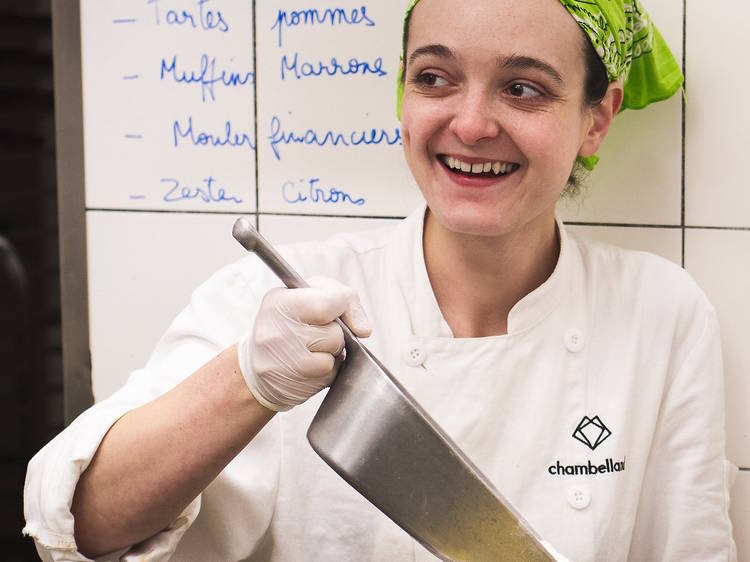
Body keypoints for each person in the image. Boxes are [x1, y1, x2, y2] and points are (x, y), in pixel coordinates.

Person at [24, 0, 737, 560]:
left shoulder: (659, 315)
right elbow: (80, 524)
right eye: (434, 77)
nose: (471, 122)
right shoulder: (291, 300)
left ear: (597, 119)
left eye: (523, 89)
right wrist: (247, 380)